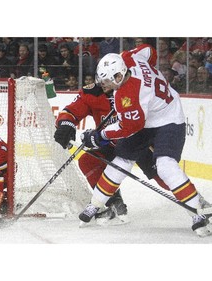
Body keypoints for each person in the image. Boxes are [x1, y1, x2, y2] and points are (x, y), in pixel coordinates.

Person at [78, 45, 212, 237]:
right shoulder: (129, 58)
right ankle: (96, 204)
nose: (104, 85)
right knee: (121, 161)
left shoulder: (129, 95)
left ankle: (196, 211)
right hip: (149, 114)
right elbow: (150, 51)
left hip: (169, 119)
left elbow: (127, 128)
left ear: (118, 76)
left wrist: (99, 136)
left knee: (165, 166)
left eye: (108, 81)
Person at [54, 44, 170, 225]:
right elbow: (71, 111)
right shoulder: (92, 93)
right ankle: (113, 202)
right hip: (109, 142)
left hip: (140, 140)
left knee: (164, 175)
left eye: (108, 80)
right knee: (87, 160)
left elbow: (149, 53)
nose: (105, 85)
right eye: (102, 82)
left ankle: (194, 200)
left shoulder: (135, 85)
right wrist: (65, 124)